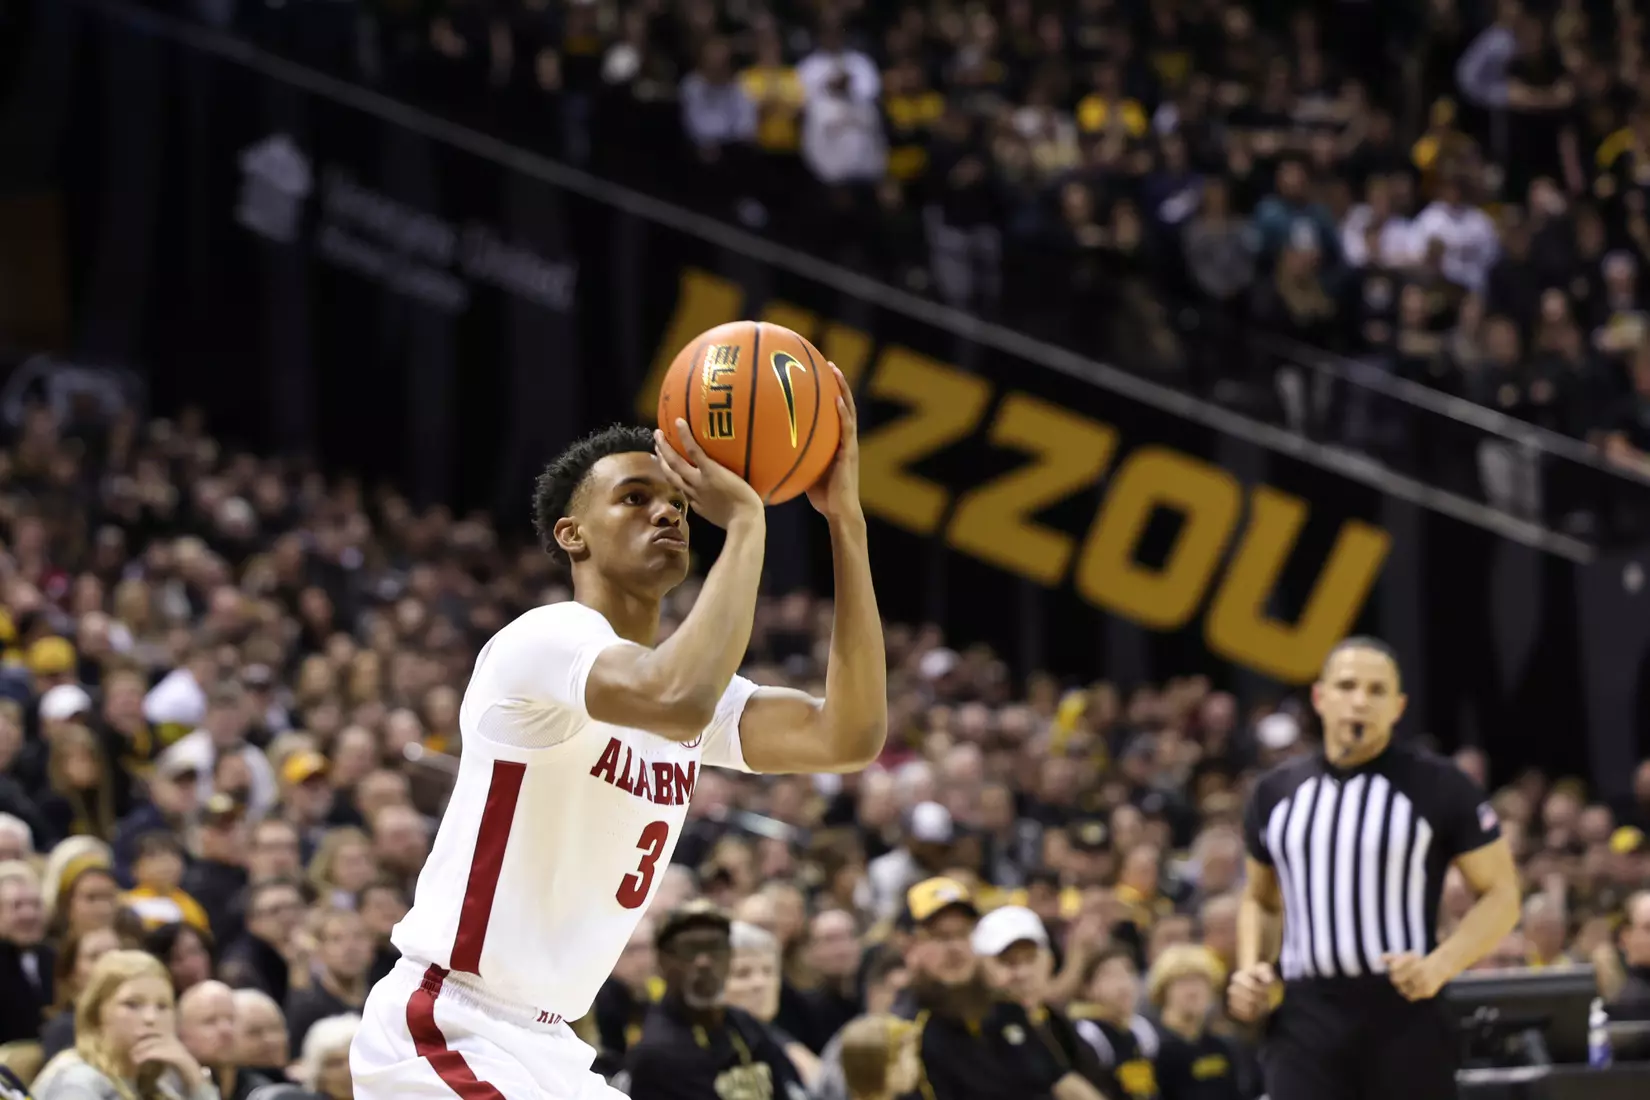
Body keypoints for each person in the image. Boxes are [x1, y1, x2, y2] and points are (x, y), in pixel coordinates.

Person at [349, 387, 887, 1100]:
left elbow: (847, 735)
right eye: (634, 498)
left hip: (552, 1046)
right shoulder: (546, 639)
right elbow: (675, 694)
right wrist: (749, 527)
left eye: (679, 503)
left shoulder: (687, 690)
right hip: (448, 1025)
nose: (667, 511)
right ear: (573, 533)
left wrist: (846, 522)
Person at [1229, 636, 1522, 1100]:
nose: (1360, 700)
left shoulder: (1441, 786)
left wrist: (1441, 964)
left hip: (1405, 1013)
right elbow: (1262, 901)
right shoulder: (1273, 793)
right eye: (1346, 686)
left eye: (1377, 690)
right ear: (1320, 698)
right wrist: (1251, 969)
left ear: (1398, 706)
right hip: (1305, 1022)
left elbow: (1503, 895)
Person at [621, 902, 805, 1100]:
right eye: (690, 950)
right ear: (662, 961)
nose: (704, 962)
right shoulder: (655, 1053)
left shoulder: (746, 1026)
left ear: (729, 958)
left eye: (714, 947)